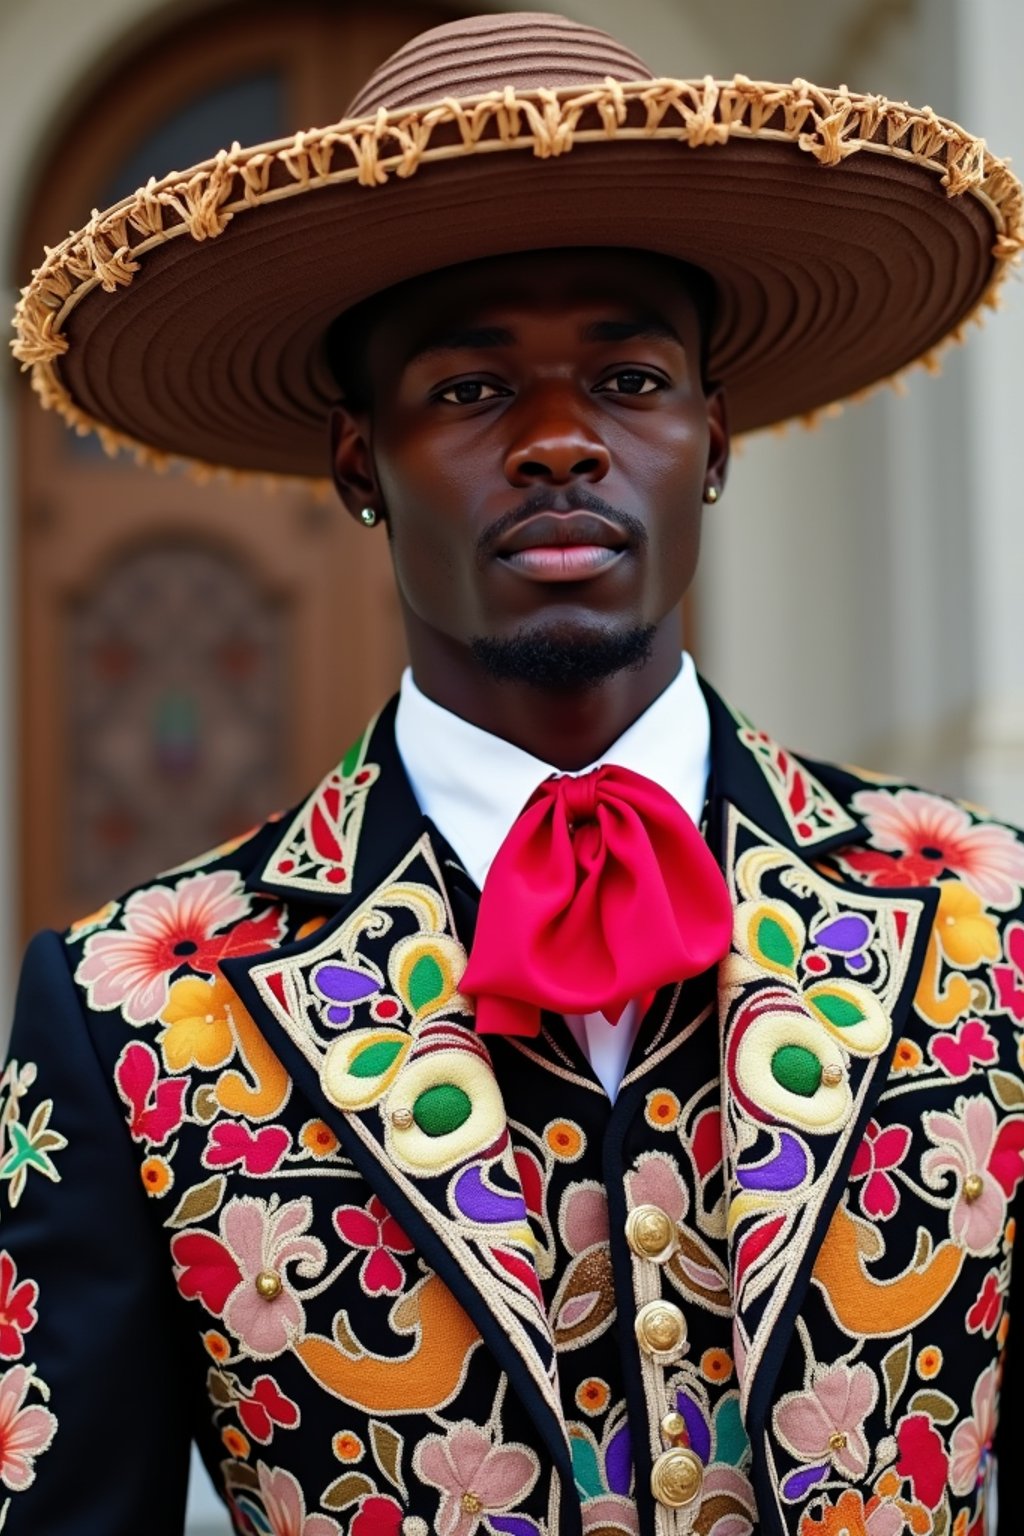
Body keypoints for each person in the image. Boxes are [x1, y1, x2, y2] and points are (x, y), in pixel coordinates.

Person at [6, 11, 1024, 1535]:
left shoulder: (988, 927)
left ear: (713, 434)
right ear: (359, 462)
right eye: (472, 391)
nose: (561, 442)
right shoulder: (136, 1005)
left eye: (626, 376)